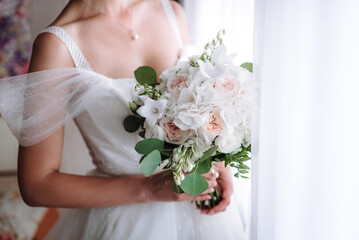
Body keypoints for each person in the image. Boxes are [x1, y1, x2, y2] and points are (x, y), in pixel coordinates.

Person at [0, 0, 247, 239]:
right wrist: (149, 189)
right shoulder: (58, 44)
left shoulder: (171, 11)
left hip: (205, 211)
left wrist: (215, 160)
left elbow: (194, 107)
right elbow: (37, 185)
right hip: (127, 222)